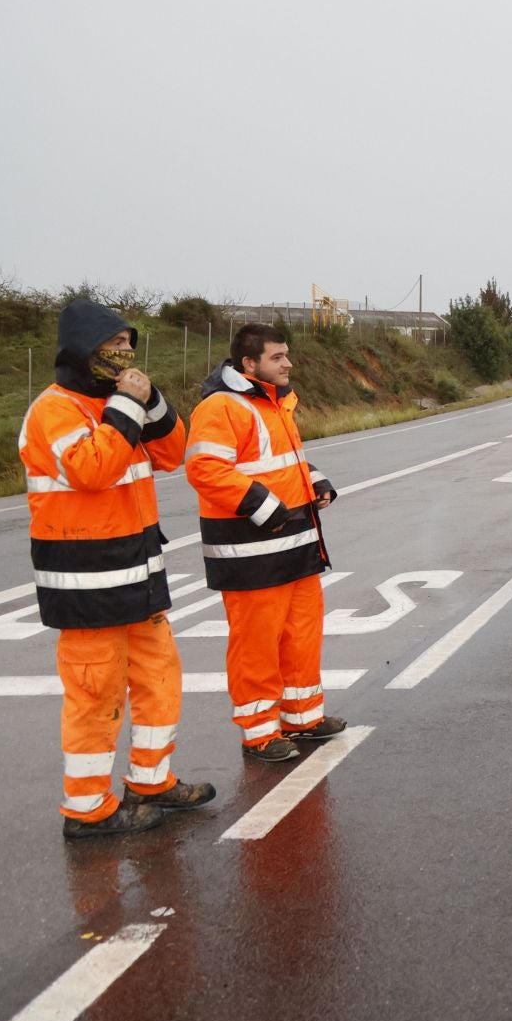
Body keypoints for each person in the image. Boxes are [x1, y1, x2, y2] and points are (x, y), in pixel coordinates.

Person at [21, 299, 216, 837]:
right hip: (86, 584)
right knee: (95, 695)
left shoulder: (119, 404)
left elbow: (174, 452)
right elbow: (92, 470)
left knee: (160, 679)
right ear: (83, 352)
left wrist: (149, 398)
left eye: (129, 347)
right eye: (113, 348)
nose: (125, 355)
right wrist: (126, 406)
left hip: (137, 575)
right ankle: (87, 810)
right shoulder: (53, 410)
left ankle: (150, 781)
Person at [186, 324, 347, 763]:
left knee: (301, 635)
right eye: (278, 357)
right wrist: (265, 506)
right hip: (251, 551)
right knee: (256, 645)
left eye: (287, 355)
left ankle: (302, 717)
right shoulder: (222, 406)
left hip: (294, 546)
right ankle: (259, 733)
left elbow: (282, 460)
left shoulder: (274, 403)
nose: (288, 363)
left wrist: (316, 481)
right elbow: (205, 469)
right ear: (249, 364)